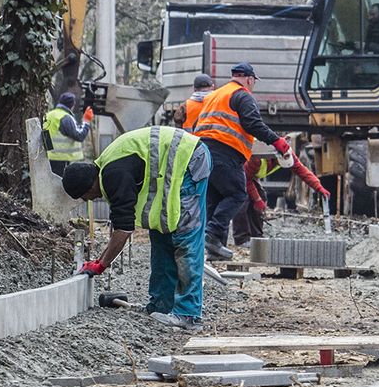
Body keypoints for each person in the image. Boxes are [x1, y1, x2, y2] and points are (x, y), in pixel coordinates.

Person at [63, 125, 212, 331]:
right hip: (173, 167)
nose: (88, 200)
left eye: (84, 197)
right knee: (161, 238)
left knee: (186, 239)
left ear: (89, 187)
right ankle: (160, 306)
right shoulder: (107, 169)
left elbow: (123, 230)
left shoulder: (114, 175)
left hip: (188, 160)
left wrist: (101, 264)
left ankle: (189, 314)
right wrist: (99, 261)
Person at [189, 61, 292, 261]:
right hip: (225, 151)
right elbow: (253, 123)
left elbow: (196, 123)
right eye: (253, 82)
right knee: (237, 194)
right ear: (249, 79)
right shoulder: (243, 95)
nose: (253, 85)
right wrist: (277, 141)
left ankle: (214, 248)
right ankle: (212, 234)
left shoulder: (215, 95)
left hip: (202, 151)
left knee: (215, 199)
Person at [40, 91, 92, 172]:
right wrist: (87, 121)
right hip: (61, 158)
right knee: (60, 183)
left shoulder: (49, 115)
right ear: (72, 105)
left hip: (48, 157)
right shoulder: (65, 117)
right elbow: (79, 136)